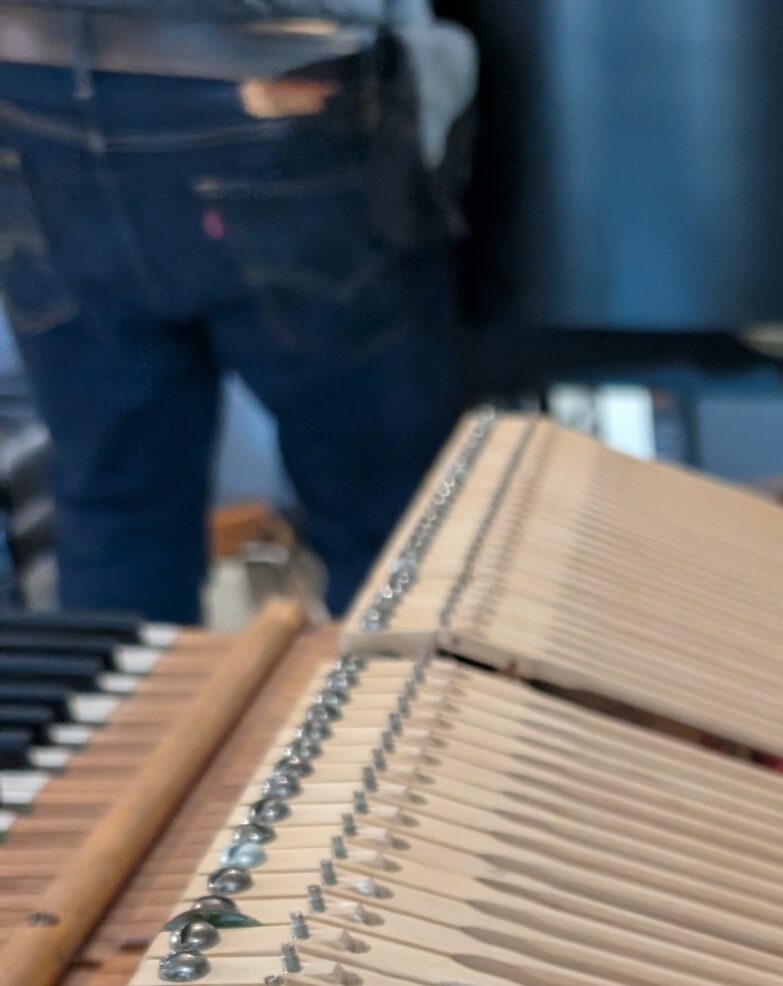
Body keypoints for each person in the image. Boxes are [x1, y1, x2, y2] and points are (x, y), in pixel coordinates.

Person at [0, 2, 474, 621]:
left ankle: (140, 719)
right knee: (394, 525)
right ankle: (410, 716)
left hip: (30, 87)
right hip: (277, 70)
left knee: (117, 513)